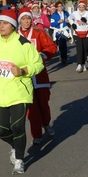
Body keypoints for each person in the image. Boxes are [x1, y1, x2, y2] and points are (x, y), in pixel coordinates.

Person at [0, 9, 44, 175]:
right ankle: (15, 145)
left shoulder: (24, 44)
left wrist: (23, 71)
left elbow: (38, 64)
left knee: (17, 126)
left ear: (13, 26)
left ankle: (20, 160)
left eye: (5, 23)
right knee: (0, 129)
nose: (1, 26)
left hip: (19, 92)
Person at [17, 8, 57, 145]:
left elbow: (51, 47)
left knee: (44, 104)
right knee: (32, 109)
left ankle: (46, 123)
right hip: (24, 78)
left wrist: (43, 55)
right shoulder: (14, 36)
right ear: (19, 20)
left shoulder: (39, 33)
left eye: (28, 18)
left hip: (40, 75)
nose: (26, 21)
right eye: (23, 18)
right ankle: (36, 134)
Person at [68, 0, 88, 72]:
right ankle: (79, 64)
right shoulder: (74, 13)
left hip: (86, 33)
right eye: (80, 7)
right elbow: (69, 18)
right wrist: (72, 24)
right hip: (77, 33)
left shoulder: (87, 14)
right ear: (78, 7)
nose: (81, 8)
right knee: (79, 49)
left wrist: (86, 21)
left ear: (85, 7)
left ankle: (83, 64)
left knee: (85, 49)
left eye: (83, 7)